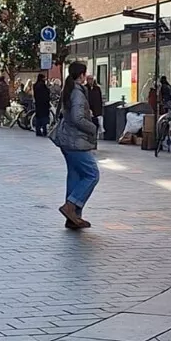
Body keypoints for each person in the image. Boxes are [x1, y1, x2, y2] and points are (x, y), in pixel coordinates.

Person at [53, 61, 99, 229]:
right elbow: (77, 118)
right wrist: (93, 127)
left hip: (67, 139)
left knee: (75, 175)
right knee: (92, 174)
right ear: (81, 75)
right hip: (75, 140)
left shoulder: (69, 89)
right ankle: (71, 206)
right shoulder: (78, 93)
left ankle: (73, 218)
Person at [33, 72, 52, 136]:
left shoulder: (35, 85)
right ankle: (44, 131)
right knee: (44, 118)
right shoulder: (42, 86)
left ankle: (38, 131)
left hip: (38, 103)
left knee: (38, 118)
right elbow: (46, 94)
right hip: (44, 104)